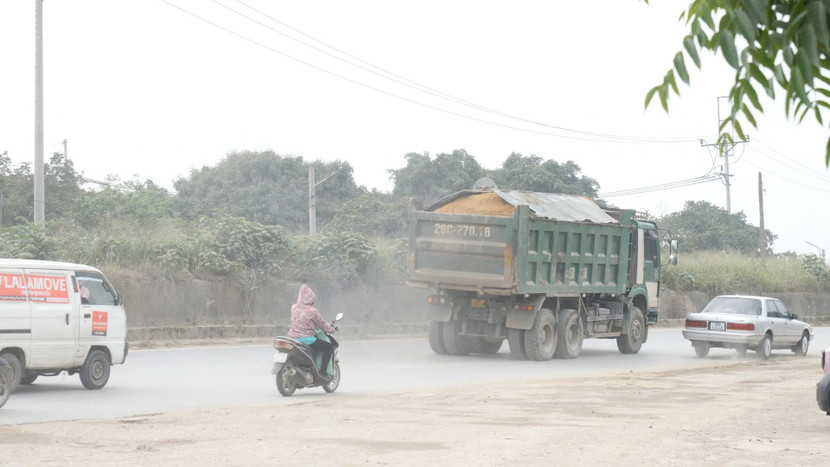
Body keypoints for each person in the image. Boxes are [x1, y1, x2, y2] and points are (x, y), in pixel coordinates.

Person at [288, 284, 335, 379]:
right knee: (329, 347)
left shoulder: (294, 307)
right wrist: (331, 329)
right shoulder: (312, 311)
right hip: (307, 340)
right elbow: (322, 325)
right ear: (310, 299)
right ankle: (323, 372)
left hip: (293, 339)